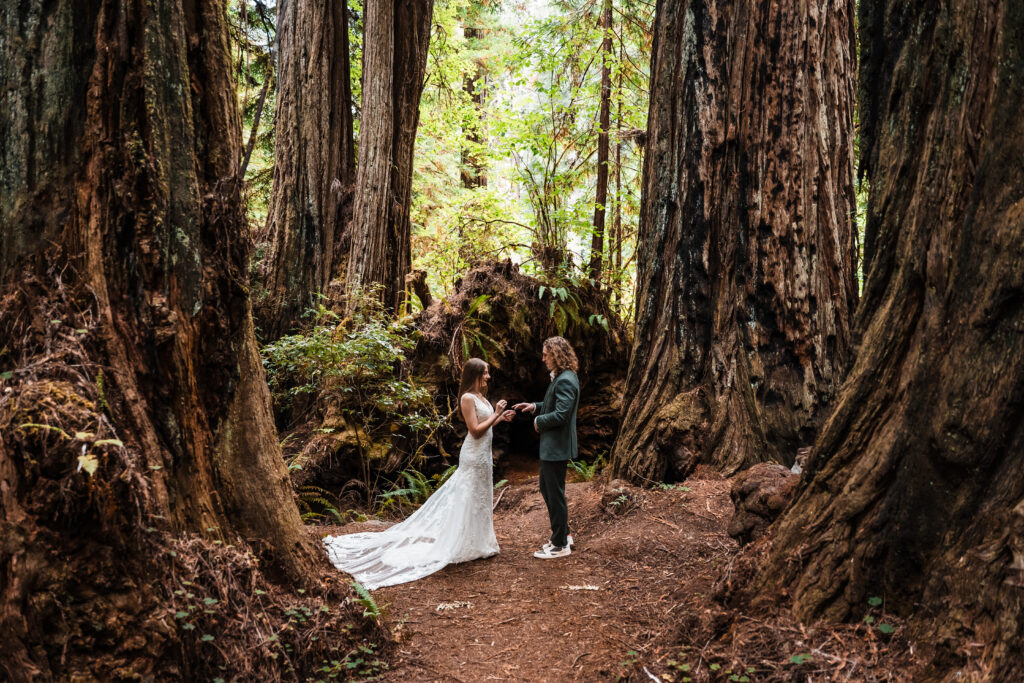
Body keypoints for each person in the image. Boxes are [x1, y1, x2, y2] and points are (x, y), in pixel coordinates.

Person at [324, 358, 515, 589]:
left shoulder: (482, 398)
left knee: (480, 497)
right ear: (475, 374)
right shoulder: (467, 398)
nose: (488, 377)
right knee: (468, 497)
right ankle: (464, 543)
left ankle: (480, 542)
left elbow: (485, 425)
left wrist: (499, 418)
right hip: (473, 456)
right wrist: (496, 413)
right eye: (485, 373)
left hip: (483, 458)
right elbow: (474, 432)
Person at [513, 336, 581, 559]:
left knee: (554, 493)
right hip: (554, 447)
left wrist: (538, 421)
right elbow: (554, 405)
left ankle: (560, 544)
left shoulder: (565, 380)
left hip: (557, 446)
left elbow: (562, 414)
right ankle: (564, 534)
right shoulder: (563, 378)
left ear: (556, 354)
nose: (542, 358)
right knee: (548, 489)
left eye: (545, 354)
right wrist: (534, 407)